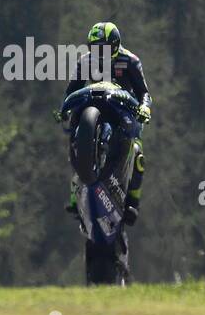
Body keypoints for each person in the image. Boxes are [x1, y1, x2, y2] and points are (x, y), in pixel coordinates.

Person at [56, 21, 152, 224]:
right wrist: (64, 109)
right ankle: (76, 192)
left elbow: (144, 92)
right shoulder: (85, 61)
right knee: (74, 136)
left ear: (116, 45)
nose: (101, 52)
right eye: (96, 48)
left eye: (105, 48)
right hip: (95, 101)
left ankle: (133, 201)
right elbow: (72, 89)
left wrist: (144, 108)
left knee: (139, 153)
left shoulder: (131, 61)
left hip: (125, 109)